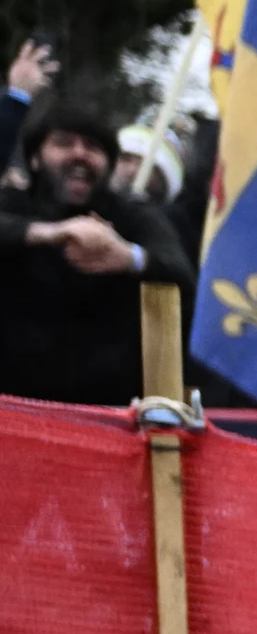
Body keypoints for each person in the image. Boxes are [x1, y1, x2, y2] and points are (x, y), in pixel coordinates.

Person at [1, 96, 198, 404]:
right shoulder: (13, 204)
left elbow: (180, 273)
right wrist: (50, 233)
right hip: (14, 407)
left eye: (92, 147)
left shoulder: (133, 215)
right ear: (35, 157)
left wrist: (128, 257)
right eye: (64, 143)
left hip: (106, 412)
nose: (79, 154)